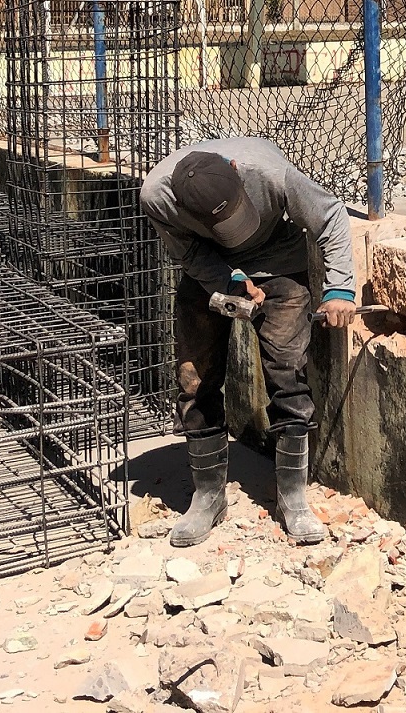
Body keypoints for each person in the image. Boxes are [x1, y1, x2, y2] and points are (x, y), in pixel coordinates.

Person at [140, 137, 360, 548]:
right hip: (210, 267)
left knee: (287, 369)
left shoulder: (271, 176)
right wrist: (230, 283)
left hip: (278, 256)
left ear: (238, 173)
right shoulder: (157, 196)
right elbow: (189, 253)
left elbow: (330, 216)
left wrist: (340, 291)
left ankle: (292, 497)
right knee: (194, 377)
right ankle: (208, 496)